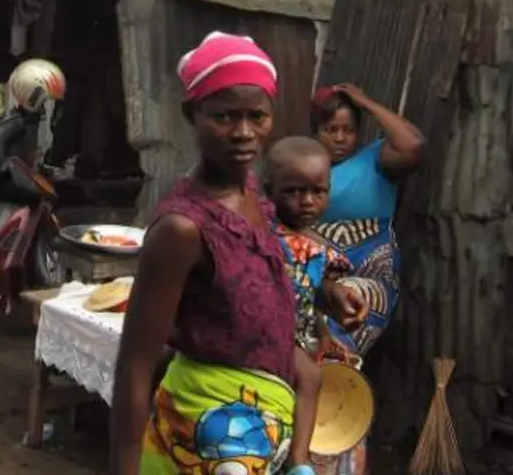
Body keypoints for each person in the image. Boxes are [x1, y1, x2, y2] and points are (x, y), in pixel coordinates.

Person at [109, 31, 344, 475]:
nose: (243, 133)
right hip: (209, 435)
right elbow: (135, 365)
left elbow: (271, 273)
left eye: (257, 116)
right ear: (190, 114)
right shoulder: (183, 228)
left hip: (259, 429)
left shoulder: (255, 192)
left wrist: (327, 289)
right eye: (223, 117)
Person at [307, 83, 425, 475]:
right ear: (315, 131)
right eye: (330, 129)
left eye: (348, 129)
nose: (341, 138)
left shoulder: (376, 160)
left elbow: (413, 146)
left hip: (368, 280)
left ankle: (335, 464)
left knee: (335, 365)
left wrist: (367, 101)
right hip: (310, 280)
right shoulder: (301, 166)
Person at [266, 136, 379, 475]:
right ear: (270, 188)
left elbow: (312, 290)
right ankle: (299, 463)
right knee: (311, 378)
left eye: (318, 191)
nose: (308, 201)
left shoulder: (315, 246)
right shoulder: (265, 237)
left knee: (339, 372)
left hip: (300, 335)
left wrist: (333, 314)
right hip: (268, 334)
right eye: (294, 191)